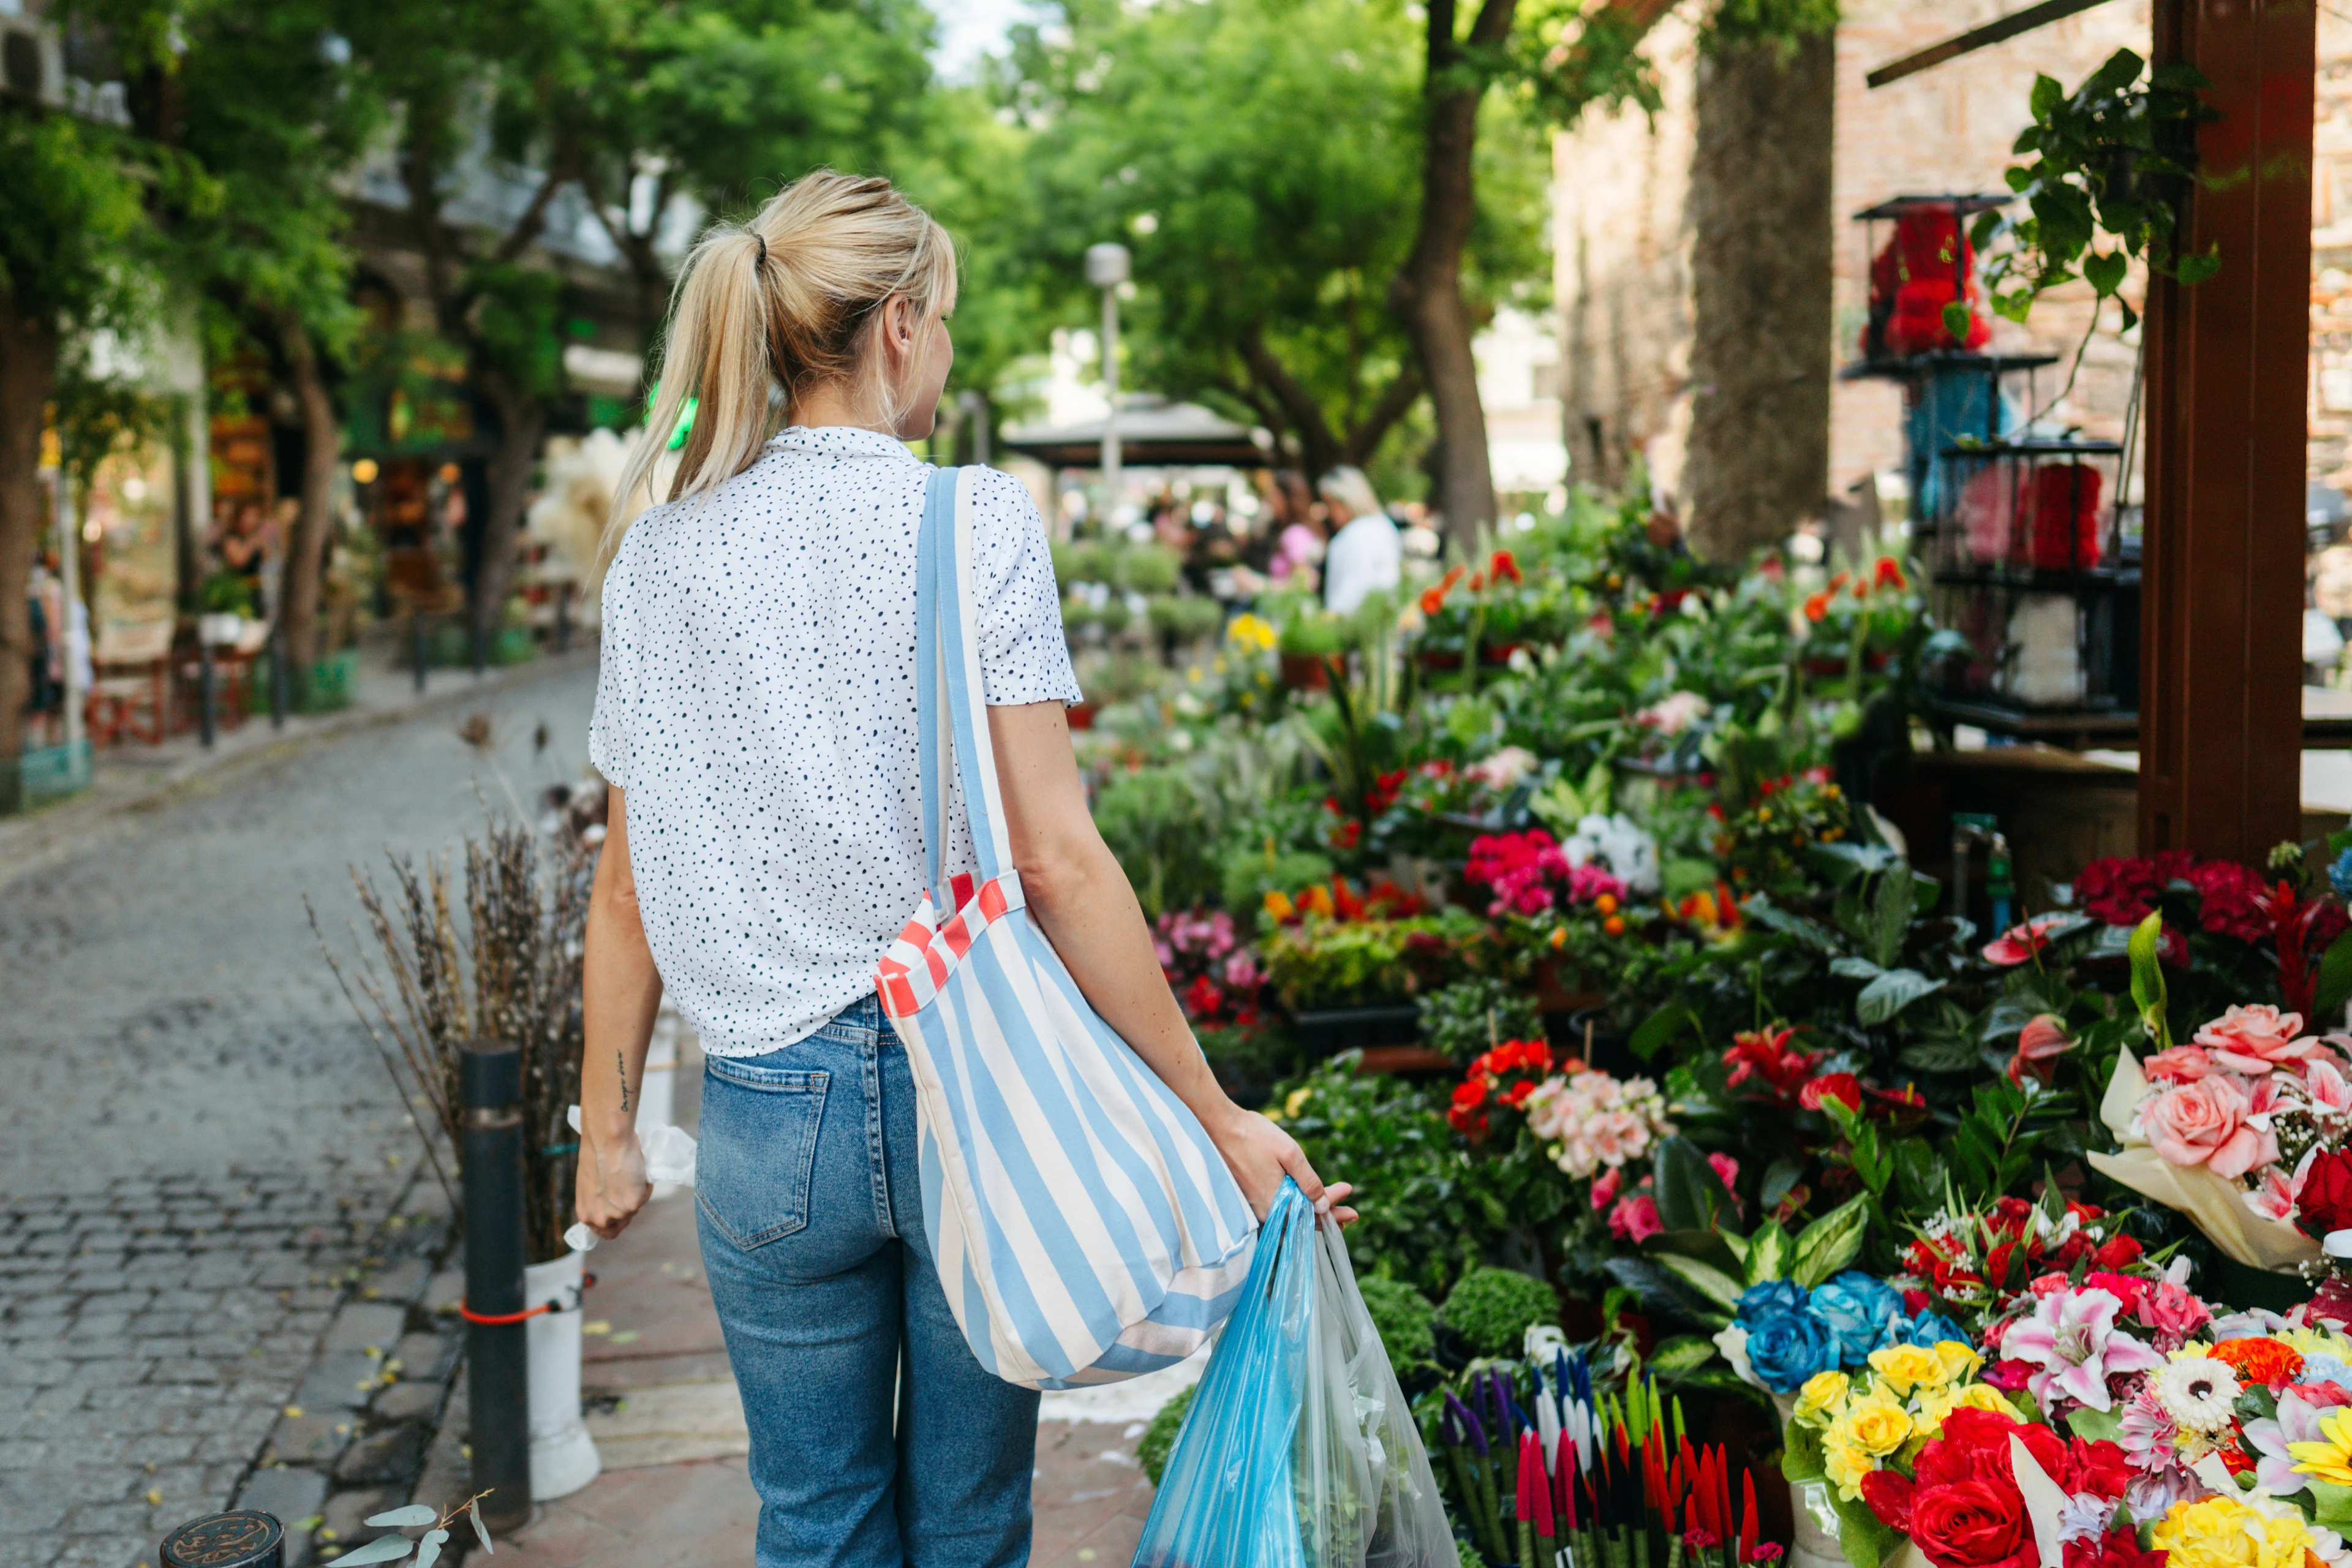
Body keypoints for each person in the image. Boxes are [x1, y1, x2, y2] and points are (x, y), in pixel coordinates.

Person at [573, 170, 1351, 1568]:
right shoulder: (968, 520)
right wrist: (1214, 1110)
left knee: (813, 1517)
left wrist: (603, 1130)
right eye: (945, 322)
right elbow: (1055, 857)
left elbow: (625, 887)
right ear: (899, 328)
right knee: (973, 1519)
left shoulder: (659, 556)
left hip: (763, 1107)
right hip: (974, 1089)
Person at [1319, 464, 1401, 615]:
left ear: (1346, 500)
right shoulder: (1384, 525)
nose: (1329, 513)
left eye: (1331, 504)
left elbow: (1350, 593)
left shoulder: (1354, 535)